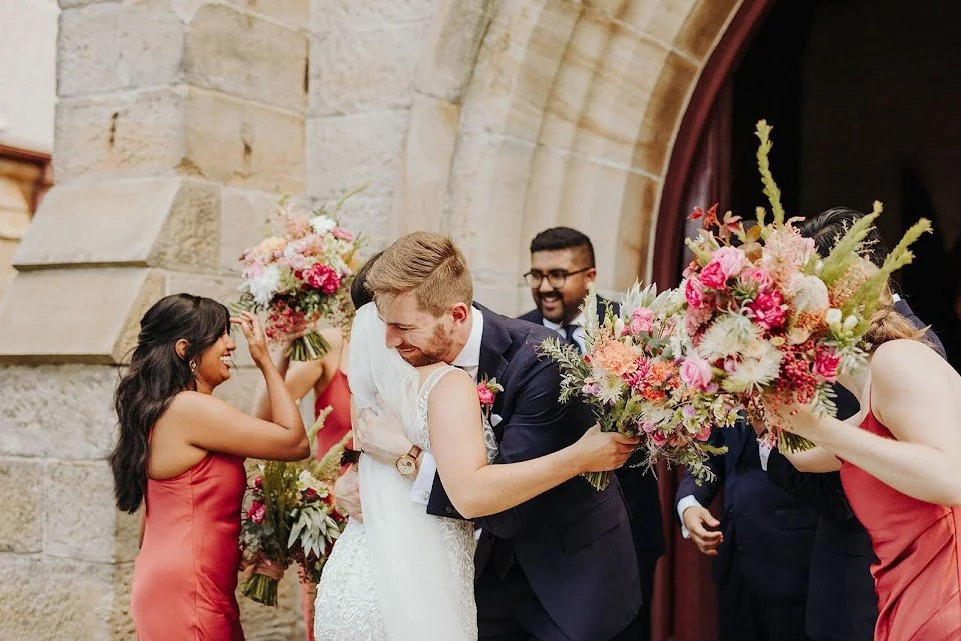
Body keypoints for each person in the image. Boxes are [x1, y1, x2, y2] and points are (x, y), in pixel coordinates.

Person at [318, 232, 642, 641]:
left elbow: (504, 510)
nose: (389, 340)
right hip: (478, 570)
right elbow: (370, 435)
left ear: (456, 314)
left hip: (567, 576)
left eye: (403, 326)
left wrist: (408, 458)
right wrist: (358, 473)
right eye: (386, 324)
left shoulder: (541, 360)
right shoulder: (403, 362)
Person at [760, 207, 946, 641]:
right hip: (875, 579)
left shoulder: (906, 352)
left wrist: (816, 427)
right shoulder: (858, 354)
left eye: (820, 285)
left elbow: (947, 476)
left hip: (913, 580)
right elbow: (828, 455)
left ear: (864, 270)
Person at [109, 294, 309, 640]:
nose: (232, 344)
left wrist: (282, 355)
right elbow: (294, 443)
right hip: (189, 590)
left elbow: (151, 526)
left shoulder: (172, 409)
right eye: (219, 335)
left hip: (189, 583)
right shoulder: (189, 409)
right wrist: (262, 360)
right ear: (186, 350)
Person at [518, 226, 664, 641]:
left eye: (558, 275)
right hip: (547, 531)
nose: (545, 287)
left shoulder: (637, 330)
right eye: (536, 275)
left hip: (629, 519)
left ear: (591, 275)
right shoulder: (516, 336)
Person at [252, 252, 382, 641]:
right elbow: (266, 413)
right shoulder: (330, 346)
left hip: (395, 507)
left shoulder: (409, 351)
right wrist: (281, 352)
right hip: (334, 512)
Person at [675, 417, 817, 641]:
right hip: (734, 551)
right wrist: (689, 503)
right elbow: (711, 453)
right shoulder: (723, 384)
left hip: (795, 558)